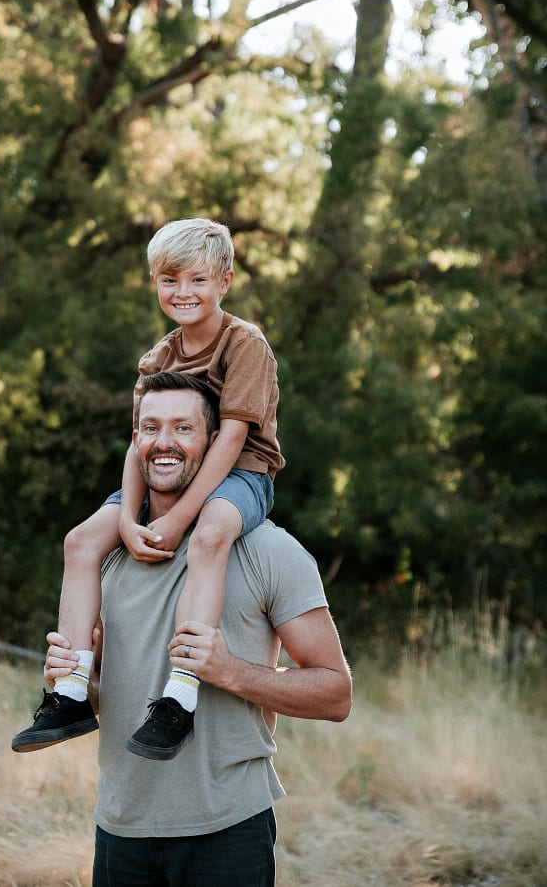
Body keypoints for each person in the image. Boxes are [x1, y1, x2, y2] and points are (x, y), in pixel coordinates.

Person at [41, 372, 352, 887]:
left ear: (214, 444)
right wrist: (78, 679)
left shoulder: (268, 552)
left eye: (183, 428)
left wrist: (229, 671)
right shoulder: (107, 555)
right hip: (121, 829)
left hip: (228, 830)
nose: (164, 442)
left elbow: (336, 694)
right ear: (136, 440)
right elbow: (108, 697)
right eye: (151, 427)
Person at [12, 219, 285, 759]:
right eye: (169, 280)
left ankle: (180, 696)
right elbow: (138, 443)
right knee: (80, 542)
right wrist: (127, 518)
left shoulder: (244, 343)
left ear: (225, 281)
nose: (183, 292)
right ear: (155, 283)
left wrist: (178, 517)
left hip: (242, 474)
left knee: (209, 536)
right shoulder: (158, 358)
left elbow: (231, 438)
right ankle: (69, 690)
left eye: (198, 280)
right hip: (165, 472)